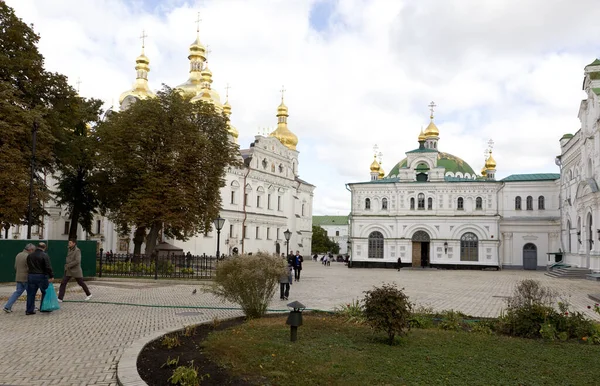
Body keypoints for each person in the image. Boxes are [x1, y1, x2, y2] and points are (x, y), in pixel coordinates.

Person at [3, 243, 36, 313]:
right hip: (26, 278)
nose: (33, 252)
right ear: (30, 249)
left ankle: (7, 306)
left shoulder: (18, 255)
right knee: (30, 293)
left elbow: (15, 266)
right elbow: (30, 267)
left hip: (18, 277)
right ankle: (31, 307)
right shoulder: (28, 256)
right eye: (33, 250)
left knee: (17, 292)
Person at [26, 242, 54, 315]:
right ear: (44, 248)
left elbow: (28, 265)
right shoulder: (45, 255)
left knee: (31, 294)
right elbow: (48, 267)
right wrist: (51, 276)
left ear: (37, 247)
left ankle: (29, 310)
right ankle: (44, 307)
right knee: (44, 292)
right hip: (42, 276)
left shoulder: (30, 255)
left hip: (31, 275)